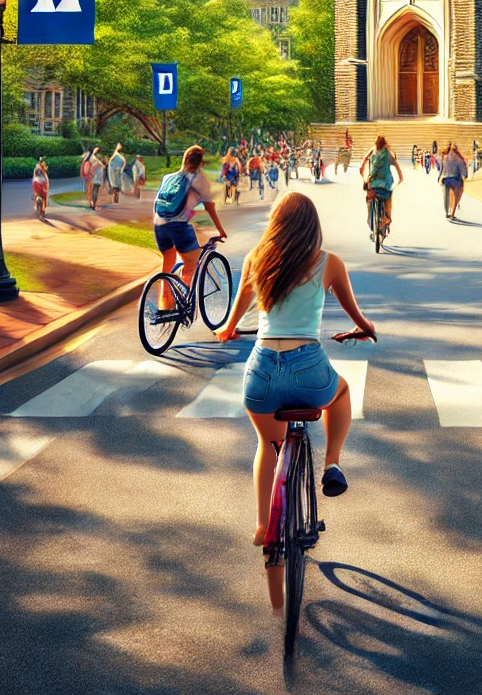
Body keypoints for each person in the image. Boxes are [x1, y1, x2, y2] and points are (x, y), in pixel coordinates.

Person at [215, 192, 376, 607]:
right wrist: (365, 327)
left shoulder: (256, 260)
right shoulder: (329, 263)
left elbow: (234, 318)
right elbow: (355, 314)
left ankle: (262, 525)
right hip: (308, 367)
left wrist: (229, 330)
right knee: (340, 393)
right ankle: (332, 464)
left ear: (276, 223)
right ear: (313, 226)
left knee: (267, 446)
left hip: (263, 369)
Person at [152, 145, 227, 309]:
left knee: (168, 265)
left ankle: (165, 304)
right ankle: (183, 302)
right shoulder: (199, 179)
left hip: (158, 225)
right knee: (191, 263)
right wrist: (220, 230)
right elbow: (209, 207)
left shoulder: (168, 177)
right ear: (201, 163)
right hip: (178, 226)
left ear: (184, 160)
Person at [360, 134, 403, 235]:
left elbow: (362, 167)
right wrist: (400, 179)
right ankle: (387, 218)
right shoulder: (388, 153)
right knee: (388, 199)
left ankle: (369, 218)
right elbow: (397, 167)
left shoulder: (372, 151)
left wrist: (364, 179)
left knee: (369, 199)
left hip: (373, 184)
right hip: (386, 184)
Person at [440, 142, 468, 218]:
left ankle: (447, 210)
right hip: (455, 179)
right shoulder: (459, 158)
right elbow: (464, 172)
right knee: (455, 195)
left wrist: (440, 177)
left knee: (447, 194)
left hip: (446, 179)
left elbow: (442, 169)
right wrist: (465, 175)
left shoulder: (445, 157)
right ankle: (452, 214)